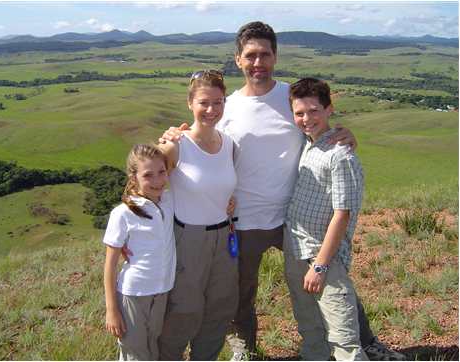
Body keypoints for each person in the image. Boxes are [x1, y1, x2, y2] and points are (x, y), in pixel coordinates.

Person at [161, 21, 405, 361]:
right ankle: (245, 349)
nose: (258, 63)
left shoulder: (290, 97)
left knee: (332, 282)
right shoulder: (227, 107)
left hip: (294, 218)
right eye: (250, 56)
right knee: (240, 295)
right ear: (238, 59)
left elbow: (318, 128)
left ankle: (365, 342)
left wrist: (348, 135)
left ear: (275, 57)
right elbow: (202, 136)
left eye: (265, 54)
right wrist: (174, 136)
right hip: (243, 219)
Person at [157, 70, 239, 360]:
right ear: (190, 103)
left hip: (225, 236)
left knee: (220, 308)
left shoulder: (228, 144)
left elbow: (224, 185)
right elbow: (142, 181)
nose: (211, 110)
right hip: (188, 239)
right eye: (204, 102)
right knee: (184, 310)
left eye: (218, 102)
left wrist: (230, 202)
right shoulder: (175, 146)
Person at [285, 77, 367, 360]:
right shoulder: (309, 143)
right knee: (311, 329)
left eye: (314, 110)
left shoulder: (340, 154)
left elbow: (343, 214)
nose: (307, 119)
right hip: (297, 247)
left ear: (329, 109)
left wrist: (320, 266)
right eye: (299, 113)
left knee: (343, 338)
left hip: (323, 256)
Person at [103, 144, 175, 360]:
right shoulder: (123, 213)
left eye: (161, 172)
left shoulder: (169, 201)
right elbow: (110, 265)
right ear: (133, 177)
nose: (157, 181)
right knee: (135, 353)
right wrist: (112, 310)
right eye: (148, 175)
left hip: (162, 291)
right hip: (134, 294)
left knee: (153, 347)